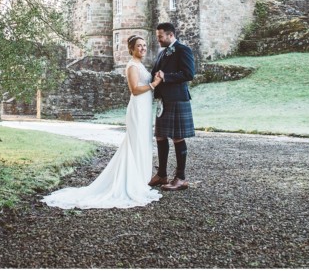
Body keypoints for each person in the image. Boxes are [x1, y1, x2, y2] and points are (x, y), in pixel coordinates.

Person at [42, 35, 163, 209]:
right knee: (135, 144)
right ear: (132, 49)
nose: (143, 48)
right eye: (139, 46)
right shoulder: (132, 66)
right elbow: (135, 90)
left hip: (145, 109)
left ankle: (141, 180)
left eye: (144, 45)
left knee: (143, 143)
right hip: (137, 108)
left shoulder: (141, 65)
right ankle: (131, 183)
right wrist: (155, 83)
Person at [149, 22, 195, 191]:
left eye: (160, 36)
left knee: (177, 137)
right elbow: (155, 73)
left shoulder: (183, 50)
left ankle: (181, 178)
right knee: (160, 136)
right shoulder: (162, 53)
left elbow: (189, 74)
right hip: (163, 100)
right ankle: (162, 174)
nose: (158, 39)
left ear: (170, 35)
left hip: (177, 99)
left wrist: (166, 76)